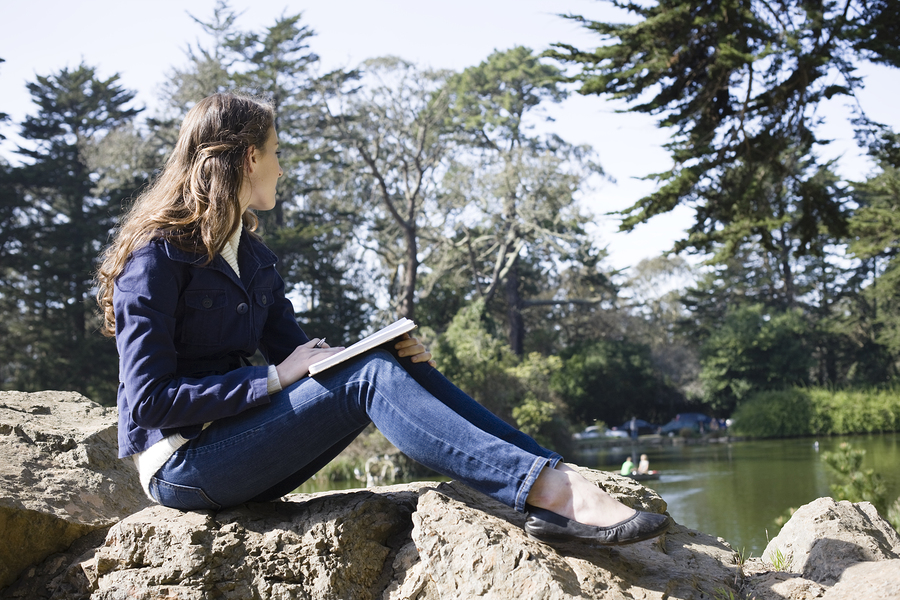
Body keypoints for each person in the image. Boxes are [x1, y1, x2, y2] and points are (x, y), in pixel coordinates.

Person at [95, 92, 669, 548]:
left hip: (242, 447)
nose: (281, 165)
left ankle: (554, 472)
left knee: (384, 363)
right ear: (250, 158)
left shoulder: (253, 255)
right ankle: (552, 492)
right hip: (184, 466)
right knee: (369, 377)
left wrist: (386, 351)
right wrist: (272, 379)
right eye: (276, 151)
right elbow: (146, 403)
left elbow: (314, 365)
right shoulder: (157, 255)